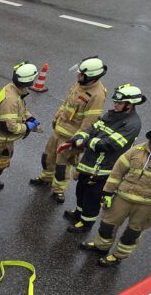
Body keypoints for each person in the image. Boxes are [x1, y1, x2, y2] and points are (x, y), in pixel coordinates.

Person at [82, 119, 151, 267]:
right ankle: (100, 247)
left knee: (132, 233)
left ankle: (118, 256)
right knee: (107, 224)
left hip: (148, 204)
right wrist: (108, 192)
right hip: (123, 197)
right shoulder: (137, 150)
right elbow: (117, 172)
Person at [63, 84, 146, 233]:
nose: (115, 105)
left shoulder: (132, 124)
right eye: (115, 102)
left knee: (92, 197)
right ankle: (79, 213)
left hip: (104, 169)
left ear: (129, 105)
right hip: (90, 163)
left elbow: (109, 145)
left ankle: (86, 223)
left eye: (119, 103)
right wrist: (79, 137)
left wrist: (85, 142)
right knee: (81, 190)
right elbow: (93, 128)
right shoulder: (112, 114)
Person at [32, 56, 107, 203]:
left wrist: (77, 140)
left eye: (81, 74)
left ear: (91, 77)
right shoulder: (80, 84)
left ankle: (58, 190)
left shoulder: (97, 95)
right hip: (59, 129)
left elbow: (89, 122)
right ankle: (45, 177)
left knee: (62, 166)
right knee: (47, 157)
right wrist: (56, 117)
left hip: (70, 138)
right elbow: (67, 103)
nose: (78, 76)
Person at [0, 62, 40, 204]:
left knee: (0, 164)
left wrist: (29, 117)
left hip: (3, 139)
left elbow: (19, 110)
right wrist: (27, 126)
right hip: (0, 140)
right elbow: (8, 127)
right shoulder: (11, 99)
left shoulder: (13, 90)